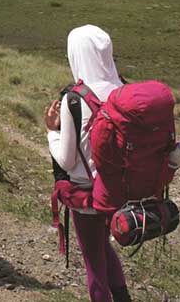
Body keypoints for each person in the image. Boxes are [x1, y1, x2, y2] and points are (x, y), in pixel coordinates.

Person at [45, 25, 130, 302]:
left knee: (94, 262)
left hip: (88, 196)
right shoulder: (125, 91)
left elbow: (67, 160)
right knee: (102, 247)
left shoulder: (74, 99)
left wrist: (52, 131)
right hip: (121, 191)